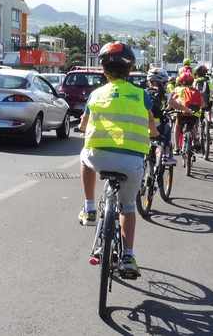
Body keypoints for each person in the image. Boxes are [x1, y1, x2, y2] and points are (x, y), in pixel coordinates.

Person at [77, 41, 158, 276]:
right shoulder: (141, 95)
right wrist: (152, 133)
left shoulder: (95, 95)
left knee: (84, 156)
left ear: (104, 70)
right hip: (131, 162)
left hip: (98, 157)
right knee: (128, 207)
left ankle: (90, 208)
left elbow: (83, 125)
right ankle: (128, 257)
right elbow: (152, 128)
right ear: (129, 70)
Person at [146, 67, 177, 165]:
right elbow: (172, 105)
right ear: (162, 83)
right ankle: (165, 156)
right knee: (167, 128)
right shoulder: (165, 95)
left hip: (143, 124)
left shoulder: (144, 92)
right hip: (158, 125)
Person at [169, 72, 204, 152]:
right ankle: (196, 140)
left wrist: (169, 108)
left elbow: (172, 101)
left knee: (177, 126)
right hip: (194, 113)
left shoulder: (177, 89)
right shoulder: (196, 91)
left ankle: (177, 147)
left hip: (182, 112)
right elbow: (202, 104)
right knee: (194, 125)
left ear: (181, 81)